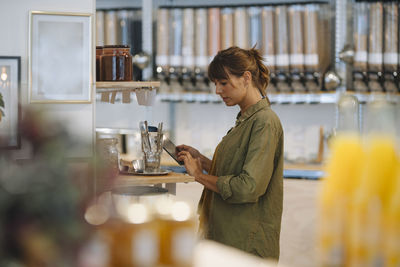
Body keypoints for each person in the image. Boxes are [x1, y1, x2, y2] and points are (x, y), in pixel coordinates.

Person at [177, 46, 284, 260]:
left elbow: (248, 187)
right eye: (216, 84)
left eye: (223, 83)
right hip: (227, 241)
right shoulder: (245, 120)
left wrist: (199, 176)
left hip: (245, 247)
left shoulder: (264, 122)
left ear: (246, 78)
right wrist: (203, 161)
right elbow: (235, 168)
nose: (218, 90)